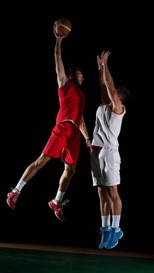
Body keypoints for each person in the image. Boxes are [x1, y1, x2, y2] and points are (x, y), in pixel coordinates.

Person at [6, 23, 91, 222]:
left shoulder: (82, 96)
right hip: (62, 127)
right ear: (72, 75)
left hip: (75, 132)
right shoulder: (65, 84)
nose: (83, 76)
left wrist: (87, 138)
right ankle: (15, 191)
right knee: (42, 160)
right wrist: (58, 41)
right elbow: (57, 59)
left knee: (71, 170)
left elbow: (81, 119)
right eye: (81, 74)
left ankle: (56, 201)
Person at [91, 51, 130, 249]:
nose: (109, 92)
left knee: (113, 191)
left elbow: (110, 86)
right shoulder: (103, 106)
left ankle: (116, 228)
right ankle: (105, 229)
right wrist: (100, 69)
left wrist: (106, 65)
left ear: (120, 97)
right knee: (101, 192)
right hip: (96, 152)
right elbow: (102, 85)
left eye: (114, 92)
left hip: (110, 153)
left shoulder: (118, 109)